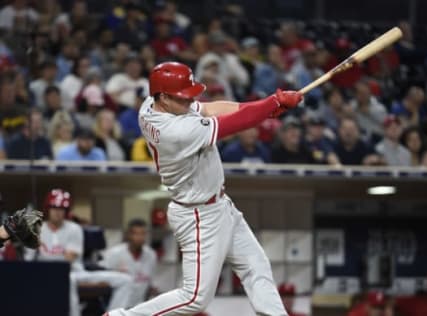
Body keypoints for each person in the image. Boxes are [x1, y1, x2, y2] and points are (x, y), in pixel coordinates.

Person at [105, 61, 302, 316]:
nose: (189, 102)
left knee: (256, 266)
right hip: (199, 215)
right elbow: (235, 124)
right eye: (183, 97)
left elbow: (210, 108)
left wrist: (265, 107)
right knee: (195, 298)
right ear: (163, 97)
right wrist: (271, 105)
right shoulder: (175, 131)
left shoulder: (152, 105)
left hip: (218, 205)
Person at [25, 189, 134, 316]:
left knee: (125, 280)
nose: (57, 212)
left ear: (66, 211)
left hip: (76, 273)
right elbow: (28, 262)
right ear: (48, 208)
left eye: (61, 209)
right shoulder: (36, 229)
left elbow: (69, 260)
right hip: (44, 275)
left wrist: (46, 256)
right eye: (54, 207)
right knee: (66, 279)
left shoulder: (74, 228)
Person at [101, 219, 157, 306]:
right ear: (128, 235)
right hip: (117, 307)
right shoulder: (114, 253)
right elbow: (102, 280)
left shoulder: (151, 255)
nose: (140, 238)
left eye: (143, 234)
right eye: (136, 234)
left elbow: (149, 284)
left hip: (138, 307)